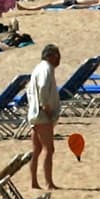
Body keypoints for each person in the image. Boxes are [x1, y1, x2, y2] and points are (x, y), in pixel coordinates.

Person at [27, 44, 61, 190]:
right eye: (57, 55)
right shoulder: (46, 68)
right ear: (50, 56)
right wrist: (46, 109)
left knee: (37, 149)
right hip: (42, 114)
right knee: (49, 148)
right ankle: (48, 183)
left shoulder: (38, 68)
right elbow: (42, 88)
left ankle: (34, 182)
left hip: (34, 113)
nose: (59, 59)